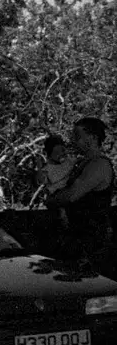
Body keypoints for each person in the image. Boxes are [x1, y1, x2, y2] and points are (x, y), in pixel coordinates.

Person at [49, 116, 114, 273]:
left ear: (92, 138)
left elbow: (72, 195)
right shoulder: (83, 163)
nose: (74, 140)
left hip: (92, 242)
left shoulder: (99, 165)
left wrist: (53, 200)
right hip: (77, 239)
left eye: (78, 136)